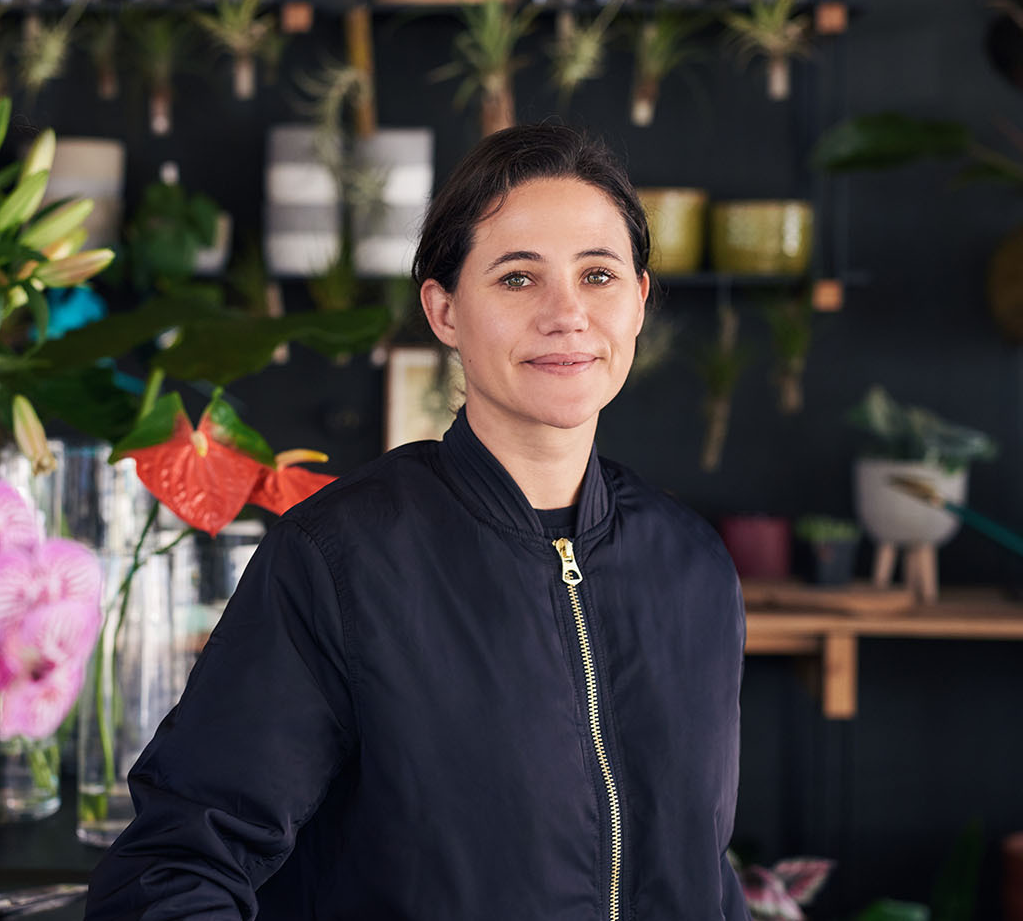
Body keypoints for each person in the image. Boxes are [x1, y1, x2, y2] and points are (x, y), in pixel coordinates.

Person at [83, 124, 749, 920]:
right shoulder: (340, 563)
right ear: (443, 310)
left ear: (639, 302)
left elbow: (699, 874)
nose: (567, 314)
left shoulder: (692, 566)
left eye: (598, 275)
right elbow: (172, 874)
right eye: (516, 279)